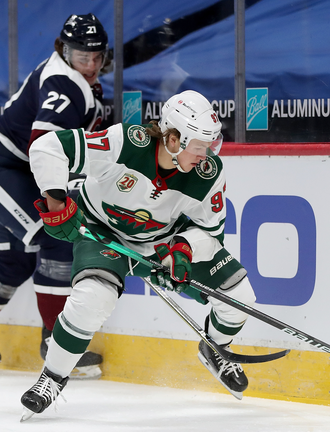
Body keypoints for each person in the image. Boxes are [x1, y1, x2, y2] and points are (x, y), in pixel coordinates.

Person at [19, 89, 259, 419]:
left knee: (240, 296)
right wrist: (56, 202)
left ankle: (216, 347)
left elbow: (211, 234)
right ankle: (52, 377)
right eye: (200, 146)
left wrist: (182, 251)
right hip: (102, 232)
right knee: (92, 299)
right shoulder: (126, 142)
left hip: (162, 243)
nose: (207, 155)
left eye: (211, 145)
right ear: (173, 138)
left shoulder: (209, 174)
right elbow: (48, 147)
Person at [0, 13, 109, 379]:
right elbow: (43, 145)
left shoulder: (78, 81)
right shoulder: (65, 82)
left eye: (97, 56)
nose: (90, 64)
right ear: (64, 50)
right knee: (55, 236)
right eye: (81, 56)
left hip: (4, 170)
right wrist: (57, 201)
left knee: (16, 262)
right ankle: (57, 344)